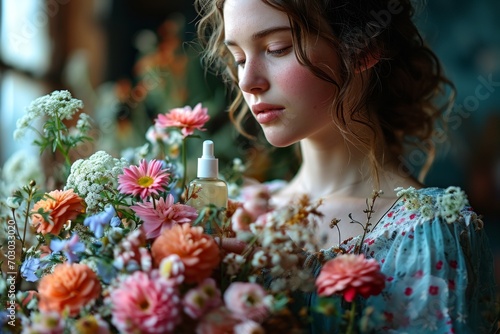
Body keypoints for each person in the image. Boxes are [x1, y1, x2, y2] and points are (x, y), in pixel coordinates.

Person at [194, 0, 498, 332]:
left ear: (365, 48)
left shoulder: (426, 231)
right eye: (239, 58)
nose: (248, 80)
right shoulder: (239, 216)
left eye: (277, 48)